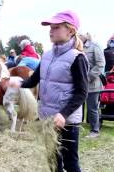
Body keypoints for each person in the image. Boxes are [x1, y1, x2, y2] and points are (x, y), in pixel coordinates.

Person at [10, 11, 88, 172]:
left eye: (56, 27)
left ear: (71, 31)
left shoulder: (77, 57)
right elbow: (35, 79)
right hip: (47, 119)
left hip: (67, 121)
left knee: (71, 163)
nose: (51, 31)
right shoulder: (46, 55)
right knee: (52, 161)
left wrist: (63, 114)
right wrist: (18, 84)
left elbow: (82, 92)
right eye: (50, 28)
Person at [79, 33, 105, 138]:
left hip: (93, 83)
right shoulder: (77, 46)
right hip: (80, 83)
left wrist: (88, 77)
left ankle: (95, 130)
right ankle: (77, 128)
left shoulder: (95, 46)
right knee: (77, 107)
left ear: (84, 36)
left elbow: (100, 64)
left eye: (78, 35)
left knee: (92, 108)